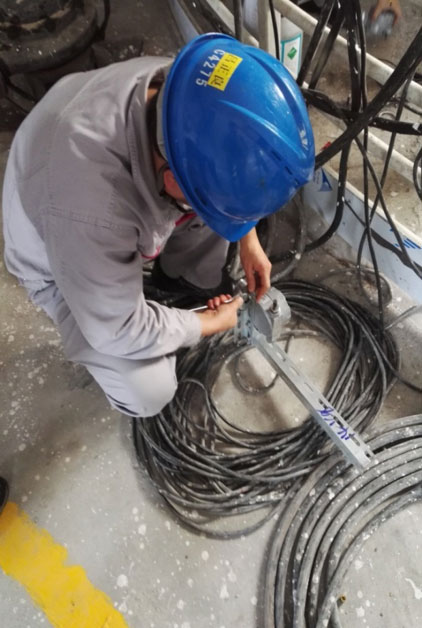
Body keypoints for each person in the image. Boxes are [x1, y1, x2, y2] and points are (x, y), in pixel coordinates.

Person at [2, 33, 314, 418]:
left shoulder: (185, 93)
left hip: (85, 179)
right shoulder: (90, 209)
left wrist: (248, 238)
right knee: (147, 388)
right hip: (56, 262)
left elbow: (224, 163)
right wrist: (207, 323)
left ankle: (181, 280)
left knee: (205, 212)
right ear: (171, 177)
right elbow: (118, 329)